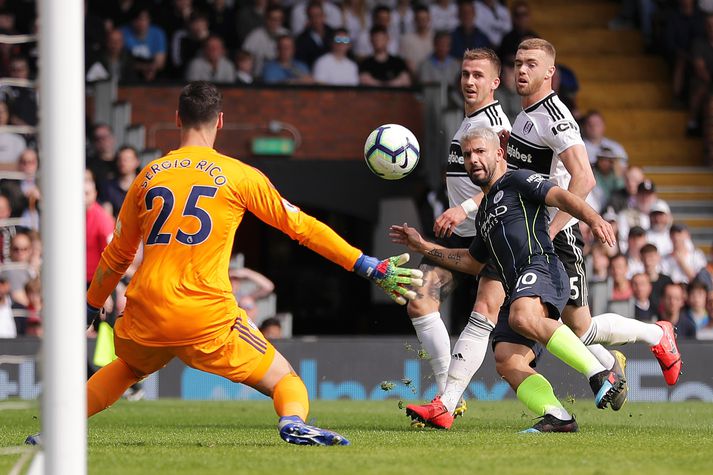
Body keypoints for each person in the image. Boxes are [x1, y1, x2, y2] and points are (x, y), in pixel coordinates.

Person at [25, 81, 423, 447]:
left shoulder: (146, 177)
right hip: (206, 316)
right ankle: (292, 422)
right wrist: (366, 264)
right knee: (285, 378)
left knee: (127, 367)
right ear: (220, 121)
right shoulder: (238, 175)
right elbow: (301, 227)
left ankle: (55, 432)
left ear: (177, 119)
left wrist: (92, 305)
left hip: (146, 310)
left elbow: (118, 254)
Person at [392, 127, 625, 432]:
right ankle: (558, 416)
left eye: (479, 152)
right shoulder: (485, 211)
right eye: (466, 155)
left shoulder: (517, 179)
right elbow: (472, 262)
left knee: (522, 316)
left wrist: (593, 219)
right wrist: (424, 247)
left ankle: (600, 372)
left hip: (543, 267)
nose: (472, 159)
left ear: (498, 154)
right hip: (519, 287)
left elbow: (560, 197)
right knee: (507, 360)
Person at [505, 38, 681, 388]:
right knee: (568, 325)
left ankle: (655, 335)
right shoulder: (525, 115)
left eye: (531, 64)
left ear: (550, 72)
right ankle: (609, 366)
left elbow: (584, 178)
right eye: (518, 63)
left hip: (557, 236)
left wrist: (552, 231)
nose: (522, 70)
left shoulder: (557, 118)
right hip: (534, 233)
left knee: (577, 326)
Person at [404, 48, 510, 421]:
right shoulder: (468, 122)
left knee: (558, 324)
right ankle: (449, 396)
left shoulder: (497, 124)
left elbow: (505, 181)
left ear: (494, 82)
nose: (469, 81)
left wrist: (461, 209)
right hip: (458, 236)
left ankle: (607, 358)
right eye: (465, 73)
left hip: (491, 235)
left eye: (478, 75)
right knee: (419, 301)